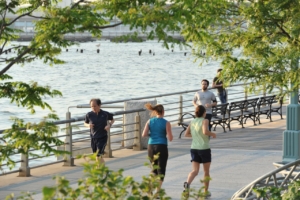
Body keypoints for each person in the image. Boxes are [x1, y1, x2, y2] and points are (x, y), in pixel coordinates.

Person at [183, 105, 216, 197]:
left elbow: (186, 134)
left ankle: (187, 183)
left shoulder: (192, 121)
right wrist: (212, 134)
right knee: (206, 172)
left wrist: (196, 136)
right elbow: (205, 131)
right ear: (204, 113)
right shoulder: (205, 120)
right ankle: (205, 192)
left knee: (195, 170)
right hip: (204, 148)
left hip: (194, 148)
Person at [142, 103, 173, 195]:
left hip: (151, 146)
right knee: (161, 170)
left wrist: (152, 135)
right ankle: (157, 192)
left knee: (153, 169)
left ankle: (149, 188)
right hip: (162, 146)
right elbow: (170, 138)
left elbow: (144, 134)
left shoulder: (149, 121)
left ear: (155, 112)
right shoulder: (166, 123)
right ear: (163, 112)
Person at [84, 98, 114, 166]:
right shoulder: (89, 115)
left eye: (95, 106)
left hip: (102, 137)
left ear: (99, 105)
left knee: (98, 155)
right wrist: (88, 125)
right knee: (96, 156)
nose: (93, 108)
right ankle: (103, 169)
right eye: (92, 106)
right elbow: (85, 123)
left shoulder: (105, 114)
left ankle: (99, 169)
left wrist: (109, 125)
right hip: (93, 137)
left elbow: (112, 120)